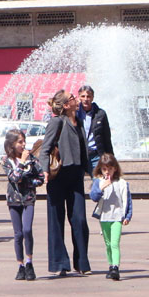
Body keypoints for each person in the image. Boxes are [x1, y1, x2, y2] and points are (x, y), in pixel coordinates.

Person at [41, 89, 91, 277]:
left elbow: (84, 150)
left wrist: (92, 171)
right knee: (56, 220)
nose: (77, 99)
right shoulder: (56, 122)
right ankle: (59, 263)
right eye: (73, 98)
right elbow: (45, 149)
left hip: (75, 175)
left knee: (79, 219)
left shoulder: (78, 122)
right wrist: (45, 170)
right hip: (58, 176)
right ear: (66, 105)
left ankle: (81, 262)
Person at [3, 129, 43, 281]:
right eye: (20, 142)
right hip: (14, 200)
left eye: (24, 141)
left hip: (28, 198)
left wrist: (28, 182)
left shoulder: (32, 159)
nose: (24, 144)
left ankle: (29, 262)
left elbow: (40, 177)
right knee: (18, 234)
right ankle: (20, 265)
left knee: (27, 230)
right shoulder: (6, 161)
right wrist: (21, 164)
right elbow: (14, 178)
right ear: (12, 144)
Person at [89, 153, 132, 281]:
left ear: (115, 169)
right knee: (108, 244)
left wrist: (127, 216)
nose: (107, 172)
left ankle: (115, 267)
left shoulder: (121, 183)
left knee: (114, 243)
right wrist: (102, 187)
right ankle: (110, 265)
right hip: (104, 217)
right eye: (104, 169)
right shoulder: (99, 182)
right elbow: (93, 197)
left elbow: (128, 201)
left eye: (110, 169)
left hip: (117, 217)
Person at [75, 85, 114, 173]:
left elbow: (107, 138)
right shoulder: (74, 113)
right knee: (77, 181)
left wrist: (111, 158)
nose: (86, 99)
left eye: (88, 96)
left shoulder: (100, 114)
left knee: (99, 180)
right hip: (78, 156)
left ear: (92, 97)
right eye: (83, 96)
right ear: (79, 97)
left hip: (95, 155)